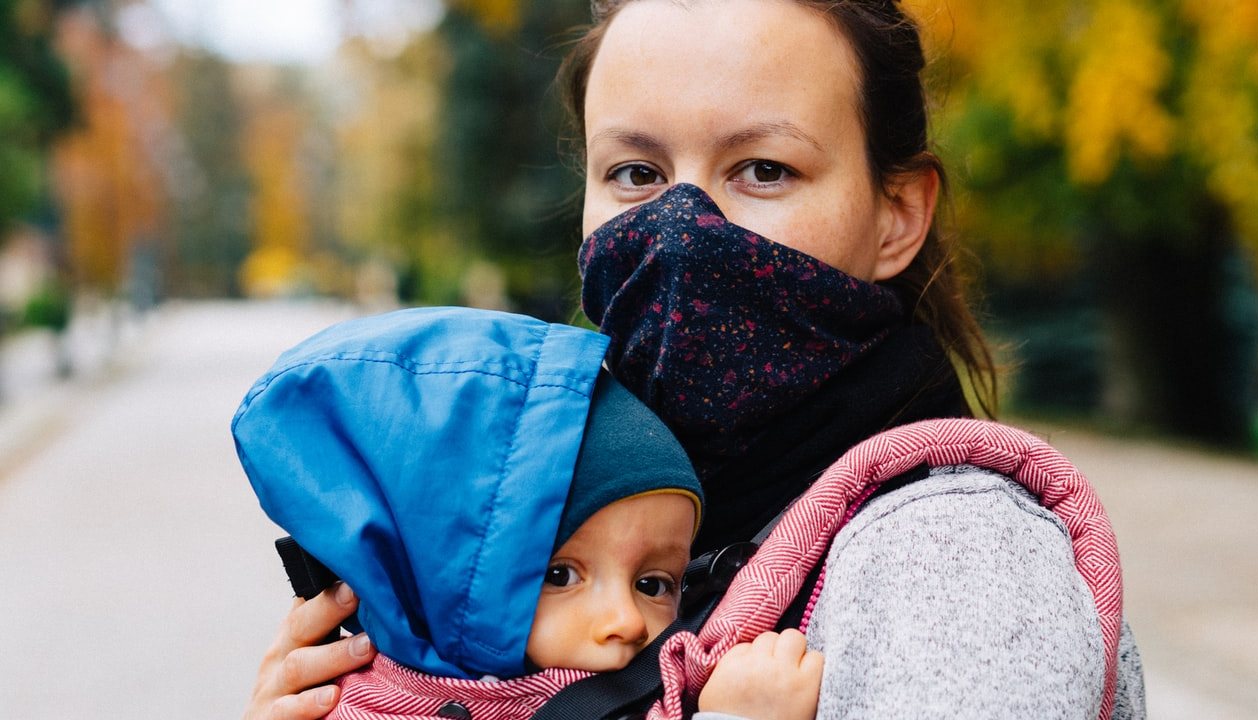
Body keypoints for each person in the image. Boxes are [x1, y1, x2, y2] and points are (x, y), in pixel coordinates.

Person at [243, 1, 1147, 718]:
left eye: (762, 169)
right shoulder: (578, 508)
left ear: (898, 214)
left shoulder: (953, 559)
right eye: (636, 174)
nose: (681, 231)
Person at [232, 307, 823, 720]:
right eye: (559, 574)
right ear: (439, 581)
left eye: (653, 583)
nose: (626, 620)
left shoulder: (664, 678)